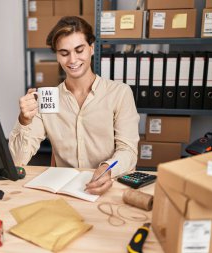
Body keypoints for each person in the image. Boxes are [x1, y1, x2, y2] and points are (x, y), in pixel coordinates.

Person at [9, 16, 139, 195]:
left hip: (108, 186)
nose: (72, 59)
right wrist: (24, 121)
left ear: (91, 48)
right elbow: (17, 160)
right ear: (57, 56)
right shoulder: (48, 98)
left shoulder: (120, 93)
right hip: (64, 191)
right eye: (64, 53)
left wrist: (108, 168)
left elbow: (129, 152)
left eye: (79, 50)